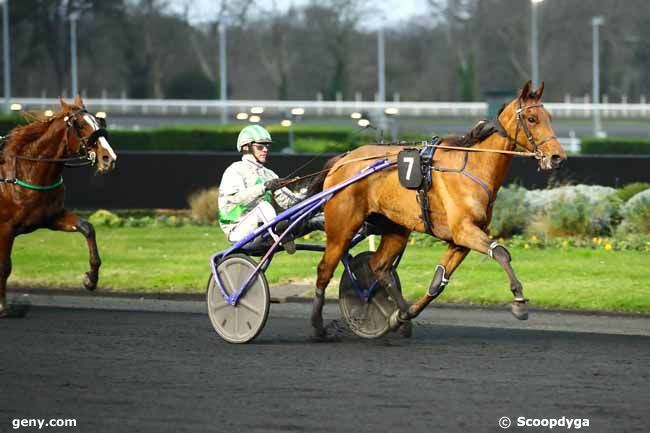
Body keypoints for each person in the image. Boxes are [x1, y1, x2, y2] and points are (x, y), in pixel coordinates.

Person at [218, 125, 320, 253]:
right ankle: (282, 234)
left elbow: (286, 204)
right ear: (246, 147)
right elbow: (235, 198)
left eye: (267, 146)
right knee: (264, 206)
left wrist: (304, 192)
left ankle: (281, 231)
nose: (265, 149)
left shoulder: (269, 174)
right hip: (237, 229)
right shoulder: (235, 170)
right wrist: (264, 187)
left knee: (294, 210)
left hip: (263, 226)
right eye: (260, 146)